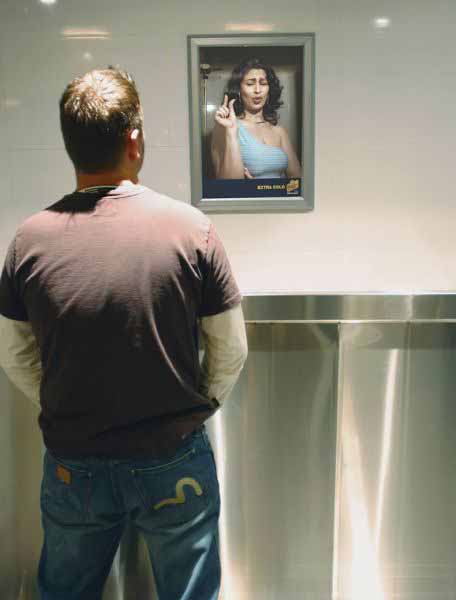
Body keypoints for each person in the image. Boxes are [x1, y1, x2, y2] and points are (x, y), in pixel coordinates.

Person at [0, 67, 248, 600]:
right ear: (134, 140)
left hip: (74, 462)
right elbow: (230, 347)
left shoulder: (27, 242)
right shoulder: (192, 230)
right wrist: (200, 405)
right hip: (173, 457)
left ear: (71, 145)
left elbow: (14, 355)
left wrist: (60, 402)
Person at [211, 57, 301, 179]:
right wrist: (231, 132)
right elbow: (227, 185)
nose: (258, 90)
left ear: (269, 90)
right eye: (250, 84)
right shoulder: (226, 127)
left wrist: (266, 188)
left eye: (263, 83)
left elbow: (298, 181)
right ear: (238, 90)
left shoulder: (279, 131)